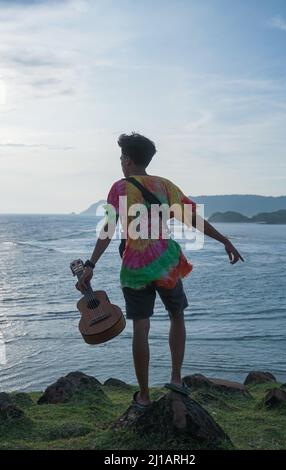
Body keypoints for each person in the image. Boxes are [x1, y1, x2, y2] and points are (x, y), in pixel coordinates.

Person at [76, 132, 244, 409]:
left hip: (134, 267)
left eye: (121, 157)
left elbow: (107, 230)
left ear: (128, 159)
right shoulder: (164, 186)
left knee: (141, 327)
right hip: (166, 264)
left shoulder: (119, 188)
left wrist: (91, 265)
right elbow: (192, 218)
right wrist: (224, 240)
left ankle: (143, 396)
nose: (120, 161)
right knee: (177, 316)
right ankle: (176, 379)